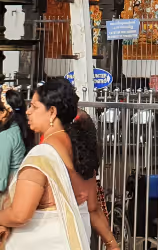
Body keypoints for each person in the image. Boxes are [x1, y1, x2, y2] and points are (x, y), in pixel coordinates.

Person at [0, 78, 91, 248]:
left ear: (52, 112)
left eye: (34, 107)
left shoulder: (42, 154)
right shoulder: (72, 145)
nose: (28, 112)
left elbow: (20, 214)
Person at [66, 113, 119, 250]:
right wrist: (111, 243)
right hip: (82, 232)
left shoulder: (52, 155)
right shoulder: (86, 163)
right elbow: (93, 208)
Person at [0, 87, 35, 197]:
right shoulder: (24, 130)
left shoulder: (6, 136)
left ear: (5, 112)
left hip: (9, 193)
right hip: (21, 187)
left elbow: (1, 181)